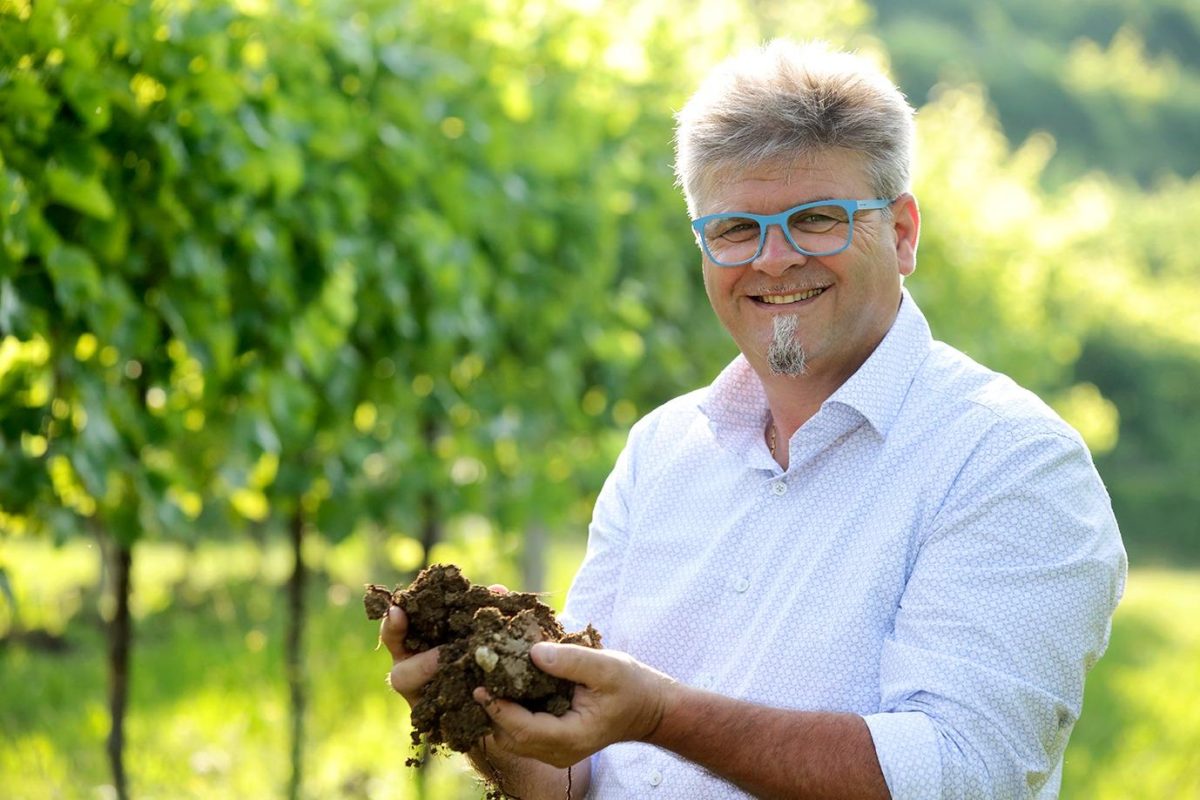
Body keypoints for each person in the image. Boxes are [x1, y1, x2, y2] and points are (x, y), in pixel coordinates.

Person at [382, 40, 1127, 799]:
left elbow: (961, 773)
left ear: (902, 233)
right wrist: (481, 710)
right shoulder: (661, 451)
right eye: (735, 229)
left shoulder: (1011, 463)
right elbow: (577, 773)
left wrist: (662, 715)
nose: (773, 259)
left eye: (816, 220)